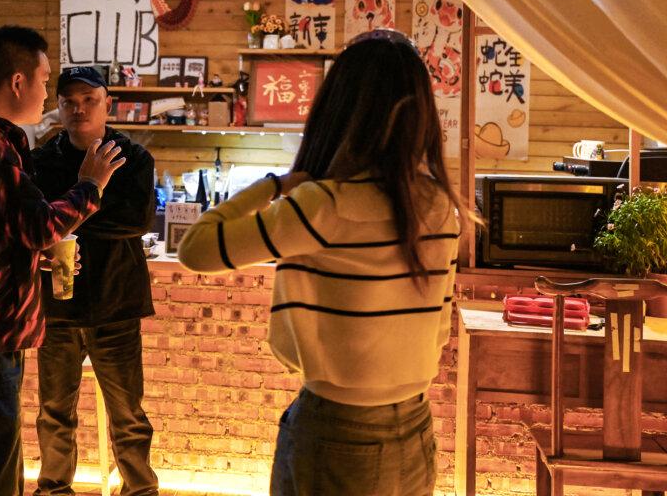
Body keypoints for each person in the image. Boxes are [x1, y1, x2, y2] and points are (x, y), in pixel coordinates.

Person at [178, 29, 463, 496]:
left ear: (338, 111)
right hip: (415, 423)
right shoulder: (437, 204)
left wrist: (274, 186)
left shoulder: (321, 205)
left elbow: (195, 249)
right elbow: (440, 327)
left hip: (337, 429)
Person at [0, 27, 126, 496]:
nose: (49, 93)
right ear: (18, 82)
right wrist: (90, 186)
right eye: (44, 80)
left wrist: (27, 255)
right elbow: (37, 225)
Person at [31, 66, 158, 496]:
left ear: (108, 104)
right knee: (53, 411)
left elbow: (136, 221)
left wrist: (74, 207)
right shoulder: (43, 159)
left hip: (117, 302)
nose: (78, 108)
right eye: (69, 101)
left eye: (89, 100)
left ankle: (140, 490)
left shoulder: (133, 158)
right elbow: (37, 224)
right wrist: (89, 194)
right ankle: (53, 489)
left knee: (128, 414)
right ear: (60, 108)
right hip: (57, 305)